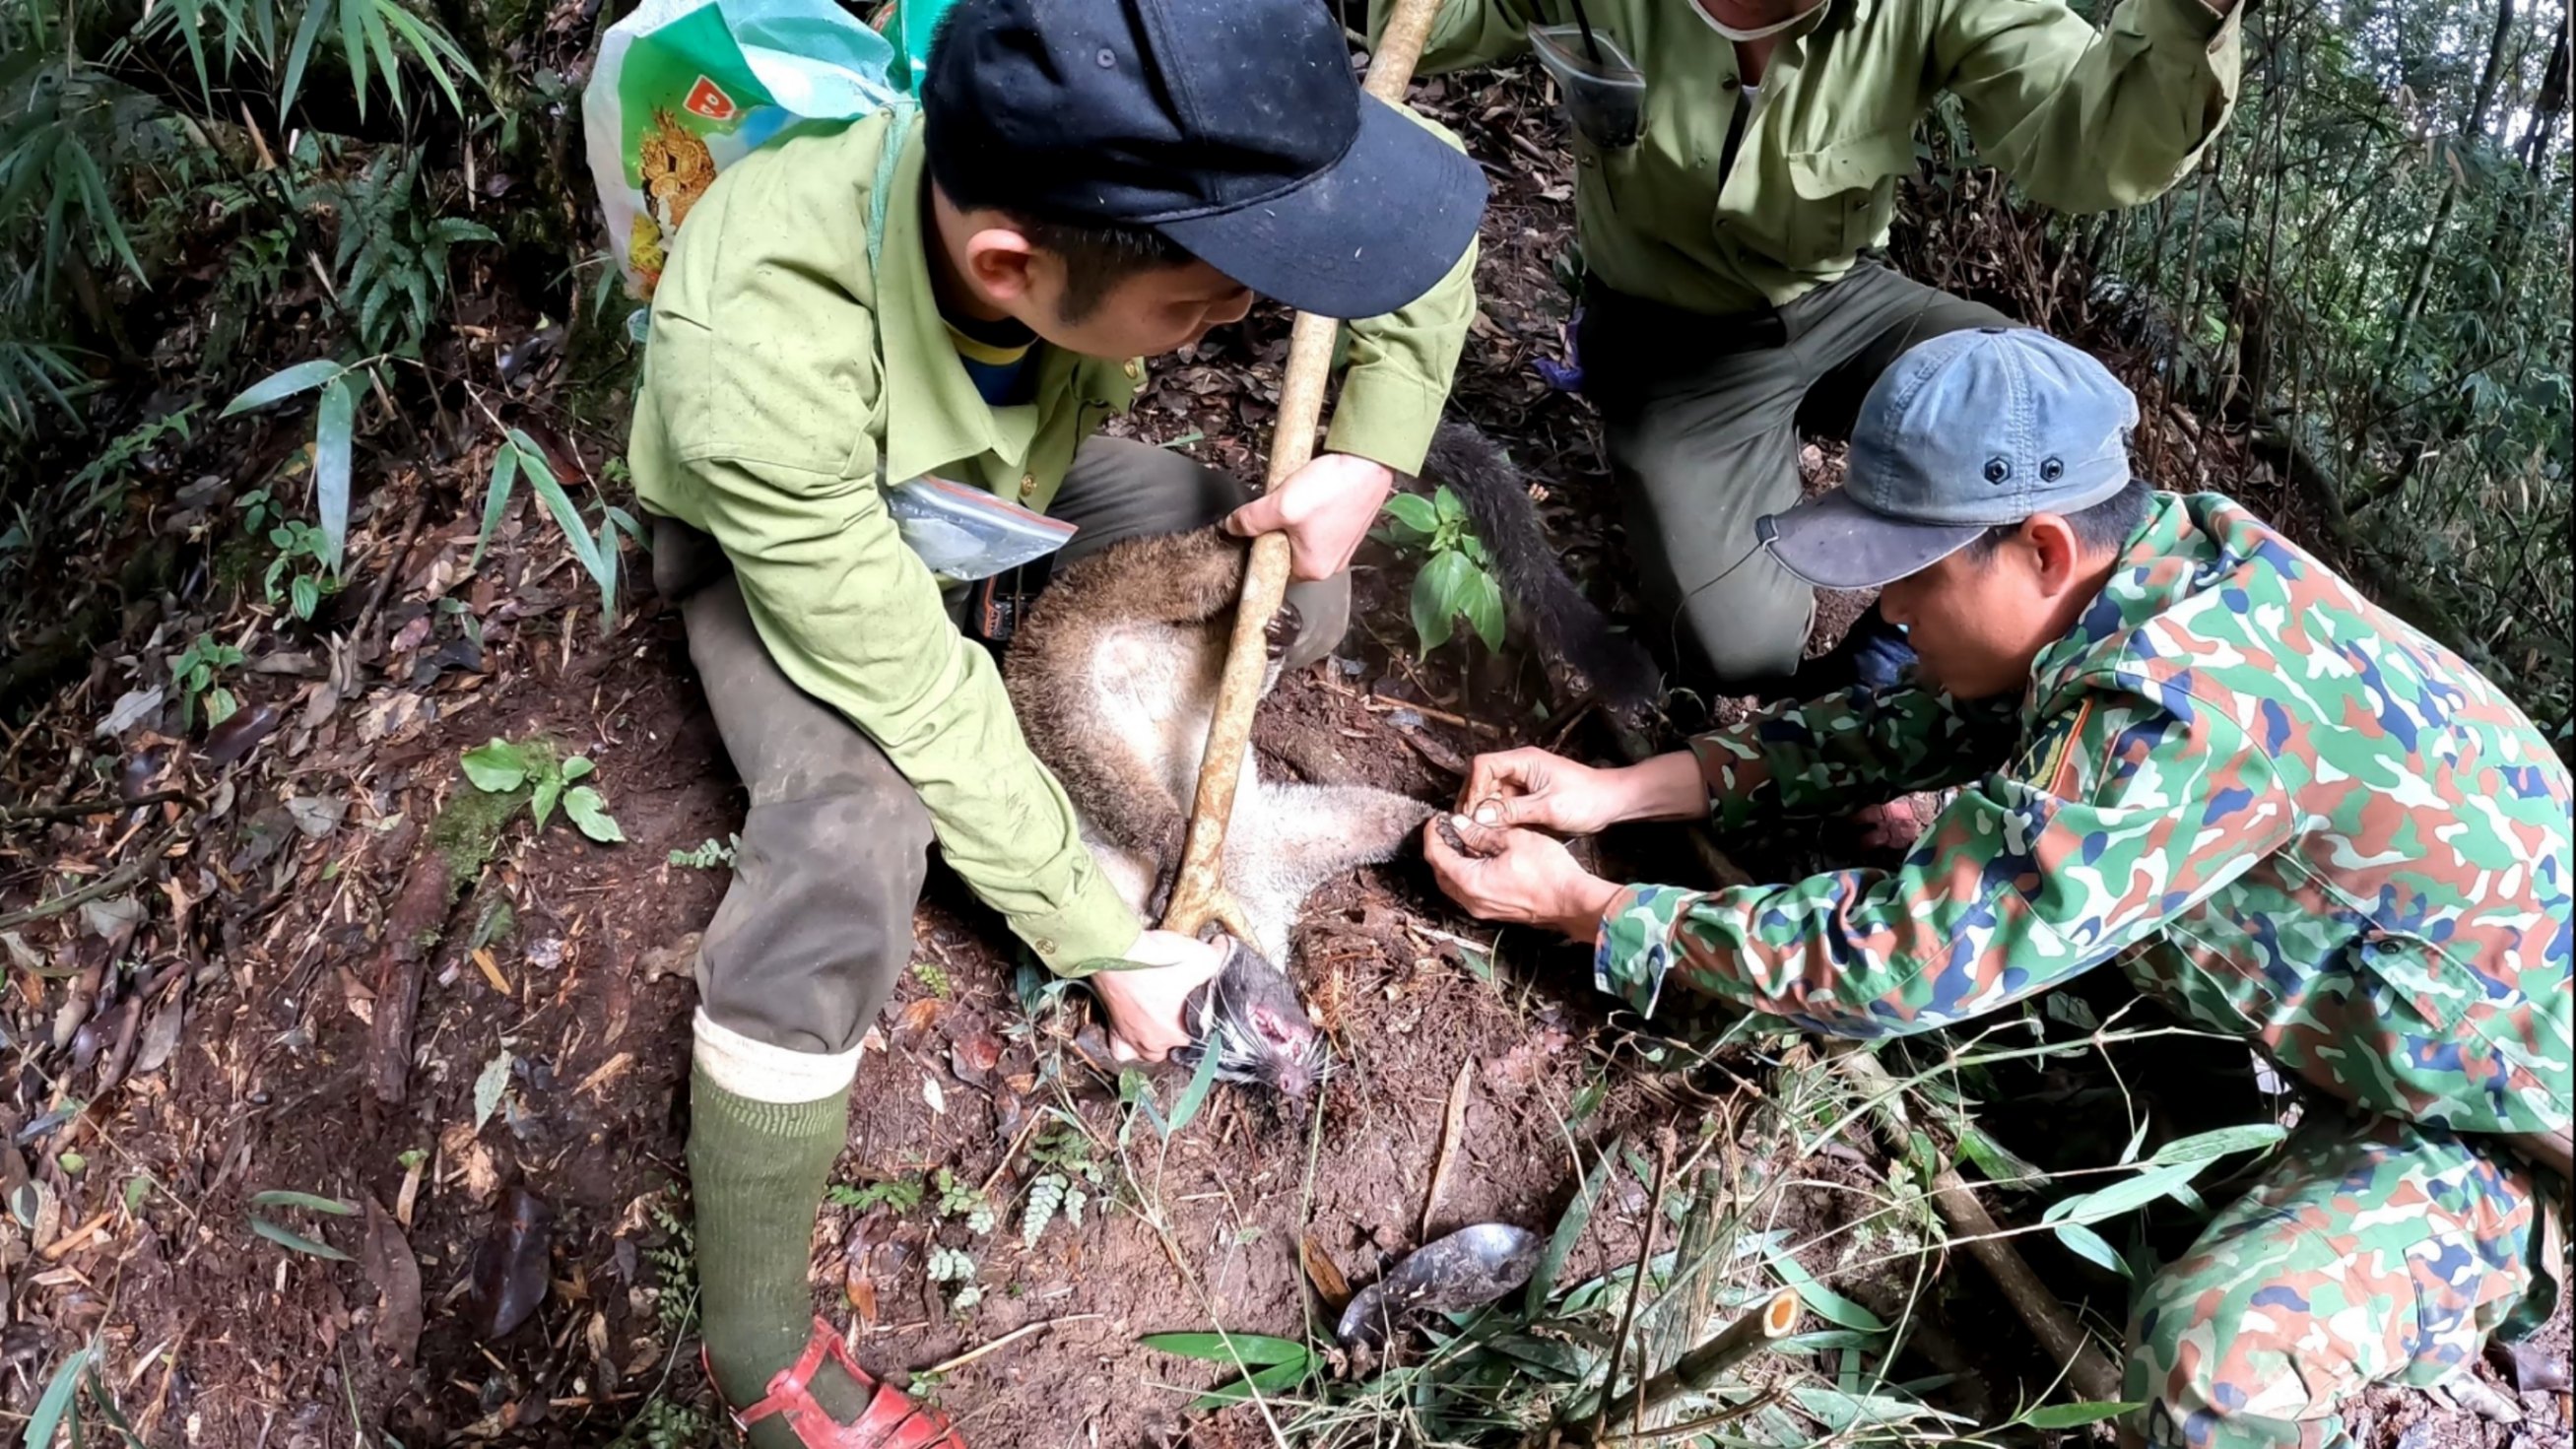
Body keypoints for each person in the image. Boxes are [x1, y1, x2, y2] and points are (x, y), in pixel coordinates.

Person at [1420, 327, 2572, 1449]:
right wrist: (1621, 794)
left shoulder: (2183, 702)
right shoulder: (2163, 565)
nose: (1888, 612)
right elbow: (1920, 718)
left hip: (2494, 1122)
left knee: (2208, 1365)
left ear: (2040, 550)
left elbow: (1902, 961)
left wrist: (1591, 911)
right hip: (2381, 1012)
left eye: (1908, 575)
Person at [625, 0, 1486, 1440]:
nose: (1250, 315)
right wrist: (1090, 936)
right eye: (1208, 300)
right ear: (1010, 263)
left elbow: (1409, 216)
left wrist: (1367, 455)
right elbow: (912, 683)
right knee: (855, 826)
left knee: (1284, 591)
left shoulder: (1110, 159)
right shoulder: (755, 345)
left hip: (1006, 481)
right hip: (808, 527)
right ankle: (755, 1346)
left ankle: (1069, 698)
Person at [1372, 0, 2244, 696]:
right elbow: (1410, 31)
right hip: (1675, 340)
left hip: (1846, 304)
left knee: (2046, 424)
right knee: (1739, 649)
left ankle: (1906, 650)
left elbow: (2086, 141)